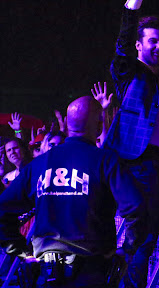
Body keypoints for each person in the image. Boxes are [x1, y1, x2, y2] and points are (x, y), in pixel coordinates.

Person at [0, 96, 146, 287]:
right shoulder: (104, 160)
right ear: (100, 124)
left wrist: (21, 251)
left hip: (47, 272)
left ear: (67, 124)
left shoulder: (39, 164)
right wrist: (128, 249)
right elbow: (136, 207)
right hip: (91, 270)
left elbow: (2, 210)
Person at [103, 0, 159, 287]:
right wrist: (134, 0)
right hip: (139, 161)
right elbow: (120, 46)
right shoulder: (131, 72)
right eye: (152, 41)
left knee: (145, 240)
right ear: (139, 45)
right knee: (141, 241)